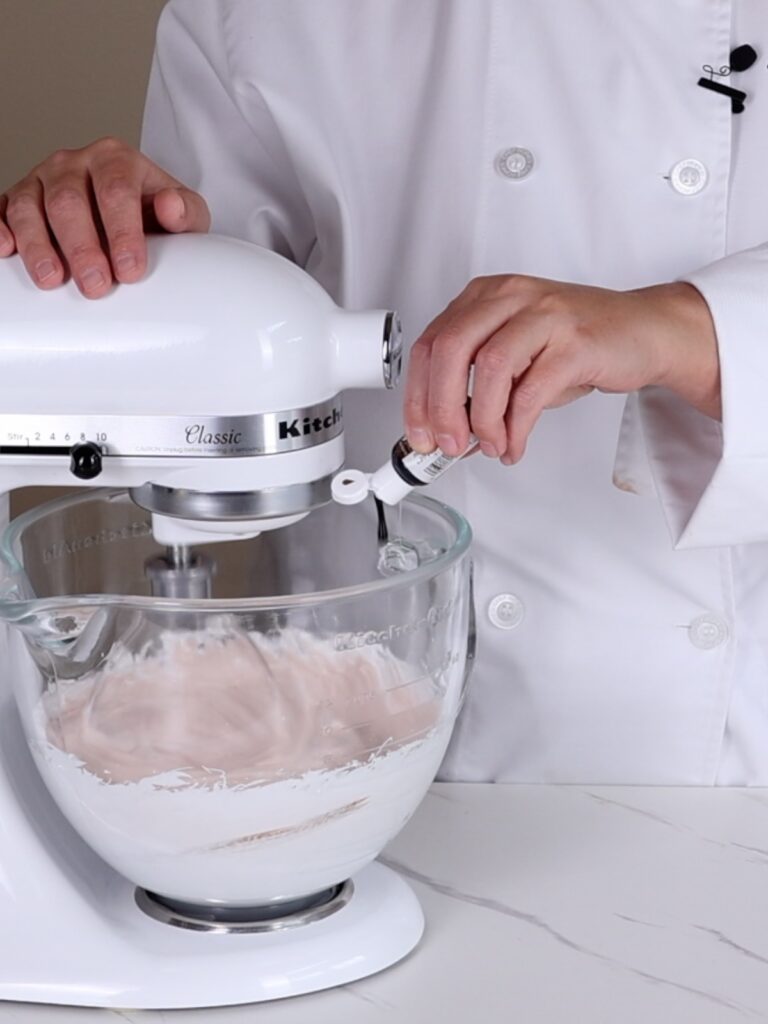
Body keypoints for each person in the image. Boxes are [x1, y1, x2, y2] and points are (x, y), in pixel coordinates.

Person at [2, 0, 767, 784]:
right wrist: (99, 242)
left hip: (746, 766)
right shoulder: (261, 17)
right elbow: (193, 353)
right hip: (358, 757)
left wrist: (695, 333)